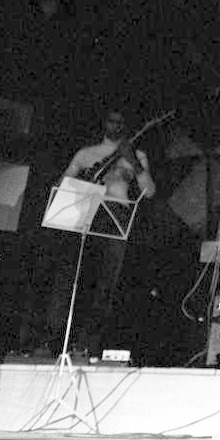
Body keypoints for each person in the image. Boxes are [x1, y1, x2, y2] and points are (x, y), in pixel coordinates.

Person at [47, 108, 157, 357]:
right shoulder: (87, 153)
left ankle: (90, 344)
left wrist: (135, 164)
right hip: (84, 212)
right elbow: (63, 184)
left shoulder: (136, 155)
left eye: (121, 122)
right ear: (104, 123)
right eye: (111, 121)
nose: (115, 126)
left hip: (115, 215)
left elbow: (149, 192)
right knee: (71, 278)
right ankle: (57, 340)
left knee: (106, 283)